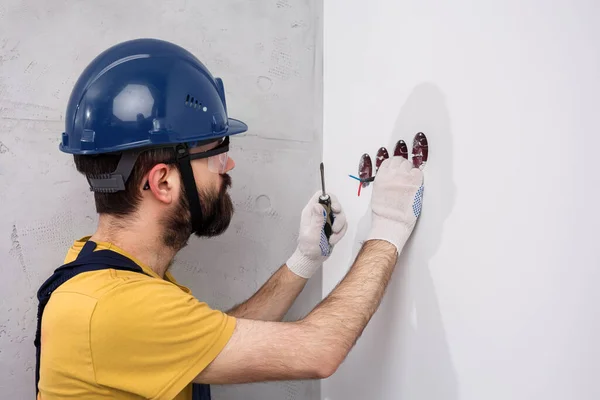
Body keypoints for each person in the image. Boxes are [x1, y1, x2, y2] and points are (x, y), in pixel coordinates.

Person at [34, 38, 425, 400]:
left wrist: (304, 260)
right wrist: (388, 226)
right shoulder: (116, 309)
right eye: (218, 154)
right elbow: (319, 351)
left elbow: (211, 340)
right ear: (163, 182)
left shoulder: (104, 278)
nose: (229, 166)